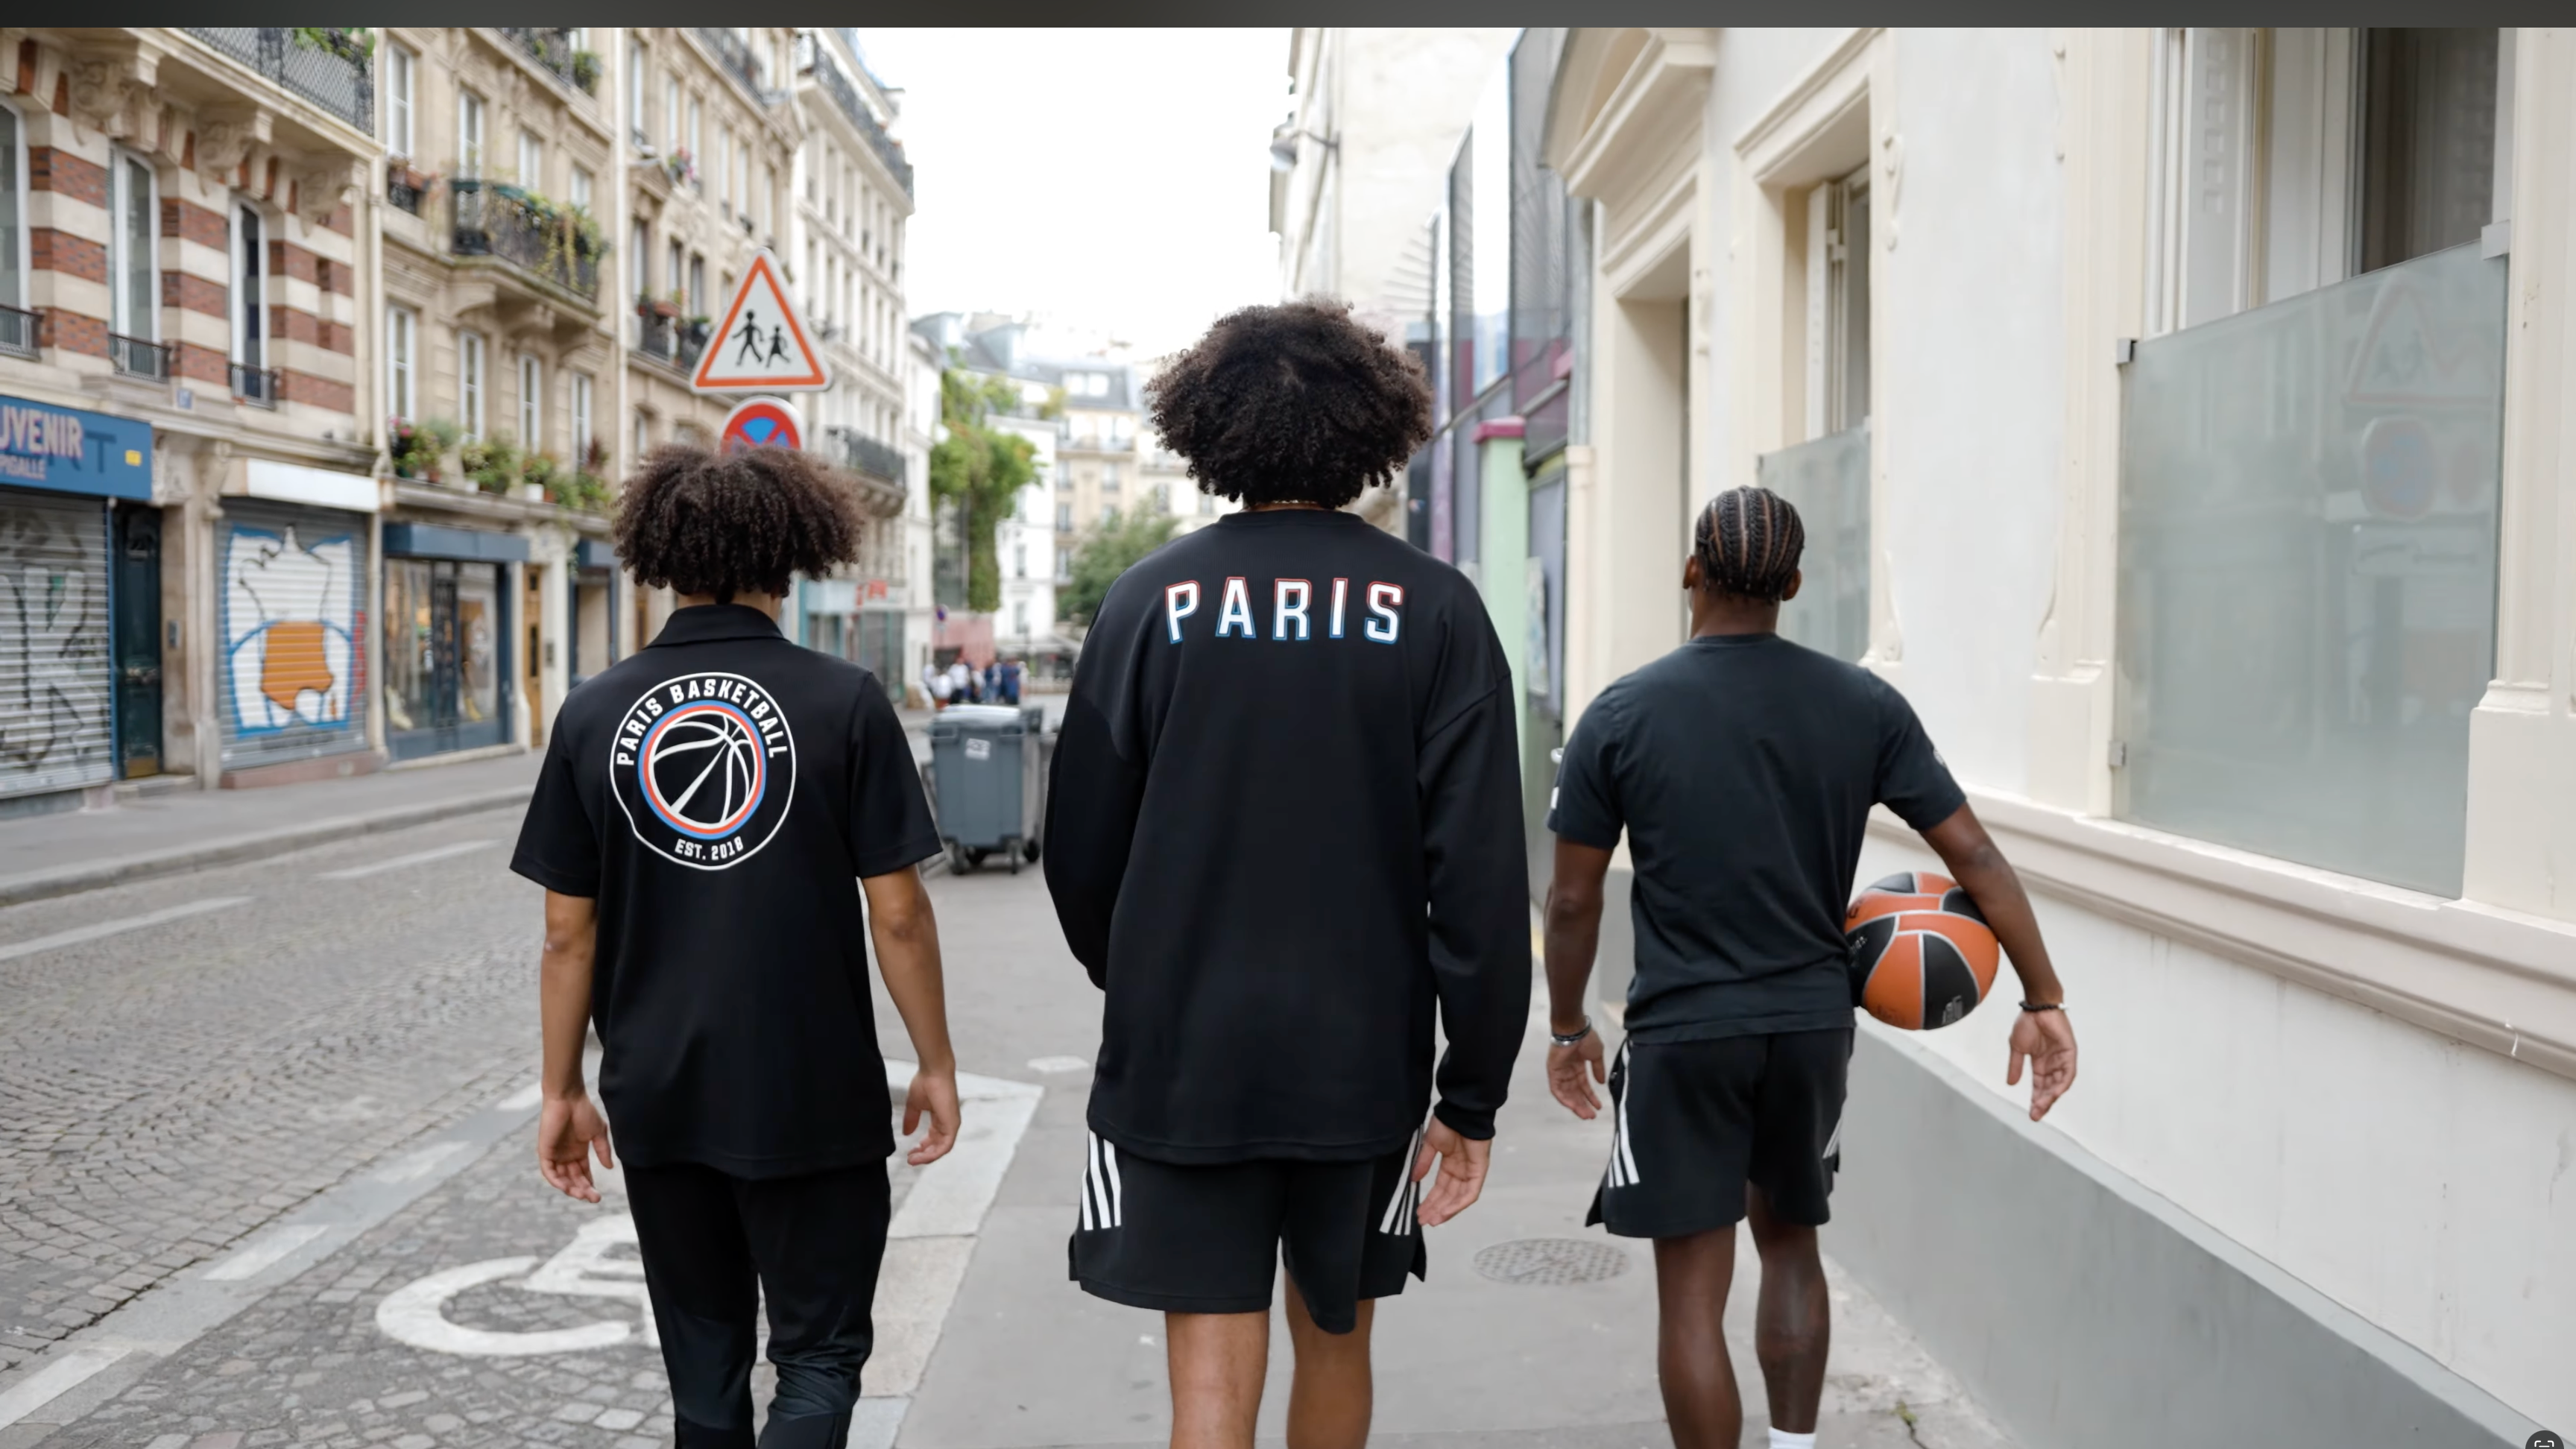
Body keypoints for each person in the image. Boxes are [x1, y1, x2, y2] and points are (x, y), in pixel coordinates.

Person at [1045, 300, 1530, 1449]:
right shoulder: (1439, 609)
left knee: (1209, 1387)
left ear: (1211, 429)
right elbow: (1479, 881)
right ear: (1371, 428)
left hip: (1185, 1053)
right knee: (1338, 1339)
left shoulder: (1146, 602)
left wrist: (1145, 975)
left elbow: (1078, 852)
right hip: (1359, 1058)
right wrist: (1471, 1093)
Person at [1540, 485, 2080, 1449]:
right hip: (1810, 1028)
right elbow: (1977, 857)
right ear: (1792, 586)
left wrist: (1569, 1023)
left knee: (1691, 1295)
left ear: (1691, 571)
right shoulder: (1863, 705)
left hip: (1684, 1032)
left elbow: (1574, 901)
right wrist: (2042, 996)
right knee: (1791, 1245)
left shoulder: (1620, 714)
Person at [512, 443, 962, 1449]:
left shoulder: (593, 712)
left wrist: (562, 1088)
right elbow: (897, 914)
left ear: (659, 558)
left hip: (661, 1090)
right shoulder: (844, 700)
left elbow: (565, 934)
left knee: (704, 1375)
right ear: (791, 555)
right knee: (819, 1359)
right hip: (814, 1091)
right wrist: (933, 1061)